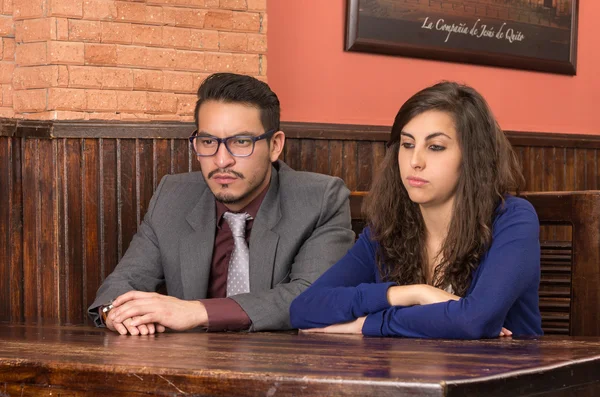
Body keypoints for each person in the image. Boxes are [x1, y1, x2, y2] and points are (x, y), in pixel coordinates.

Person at [88, 73, 355, 335]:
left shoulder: (319, 199)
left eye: (241, 142)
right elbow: (123, 283)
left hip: (285, 366)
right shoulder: (173, 196)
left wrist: (196, 312)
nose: (221, 160)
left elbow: (314, 295)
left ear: (275, 145)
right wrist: (117, 313)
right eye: (208, 142)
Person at [289, 81, 543, 339]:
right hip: (410, 374)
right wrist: (412, 293)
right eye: (407, 144)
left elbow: (474, 321)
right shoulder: (387, 228)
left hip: (504, 375)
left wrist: (365, 325)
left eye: (435, 147)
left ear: (472, 157)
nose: (415, 162)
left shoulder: (513, 219)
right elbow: (304, 308)